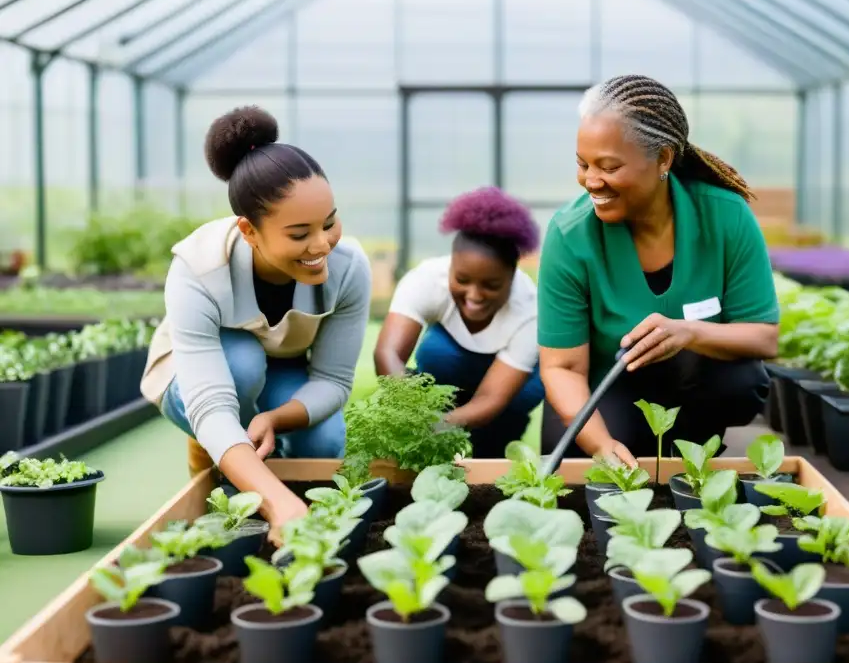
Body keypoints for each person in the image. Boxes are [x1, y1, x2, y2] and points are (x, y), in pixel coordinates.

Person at [140, 105, 372, 537]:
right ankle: (220, 458)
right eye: (300, 234)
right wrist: (280, 504)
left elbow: (334, 381)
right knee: (243, 364)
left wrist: (277, 418)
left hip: (281, 365)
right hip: (195, 376)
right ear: (249, 231)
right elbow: (209, 402)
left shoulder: (349, 268)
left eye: (330, 221)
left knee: (320, 445)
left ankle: (245, 455)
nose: (322, 243)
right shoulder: (197, 269)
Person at [537, 75, 778, 466]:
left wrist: (689, 332)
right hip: (604, 387)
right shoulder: (571, 234)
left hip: (692, 383)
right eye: (583, 164)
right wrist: (600, 444)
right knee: (585, 462)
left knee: (740, 380)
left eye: (609, 166)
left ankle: (692, 455)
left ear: (663, 159)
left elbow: (763, 338)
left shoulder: (726, 216)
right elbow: (562, 366)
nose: (591, 181)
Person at [374, 187, 544, 458]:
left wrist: (439, 425)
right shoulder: (427, 279)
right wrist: (412, 412)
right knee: (435, 354)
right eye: (462, 280)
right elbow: (388, 353)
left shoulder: (530, 310)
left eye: (491, 285)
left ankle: (494, 444)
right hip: (455, 364)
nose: (474, 295)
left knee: (498, 425)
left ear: (512, 275)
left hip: (511, 386)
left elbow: (491, 398)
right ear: (451, 266)